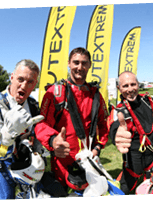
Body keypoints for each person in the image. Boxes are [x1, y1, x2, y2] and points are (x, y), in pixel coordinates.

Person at [34, 47, 109, 190]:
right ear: (69, 63)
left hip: (89, 160)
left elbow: (103, 124)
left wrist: (98, 147)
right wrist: (52, 140)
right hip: (62, 161)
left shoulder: (95, 94)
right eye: (76, 62)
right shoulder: (55, 93)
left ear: (89, 65)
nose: (80, 67)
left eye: (84, 63)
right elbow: (41, 124)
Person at [0, 59, 44, 199]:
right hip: (3, 166)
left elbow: (37, 133)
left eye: (30, 82)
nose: (23, 86)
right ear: (12, 77)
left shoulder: (33, 104)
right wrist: (9, 133)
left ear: (35, 84)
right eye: (20, 79)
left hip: (27, 162)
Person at [108, 71, 153, 194]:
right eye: (125, 86)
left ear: (138, 85)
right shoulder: (119, 111)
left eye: (133, 84)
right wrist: (116, 137)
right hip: (133, 161)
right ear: (119, 88)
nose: (130, 89)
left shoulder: (150, 102)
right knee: (125, 189)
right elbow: (113, 127)